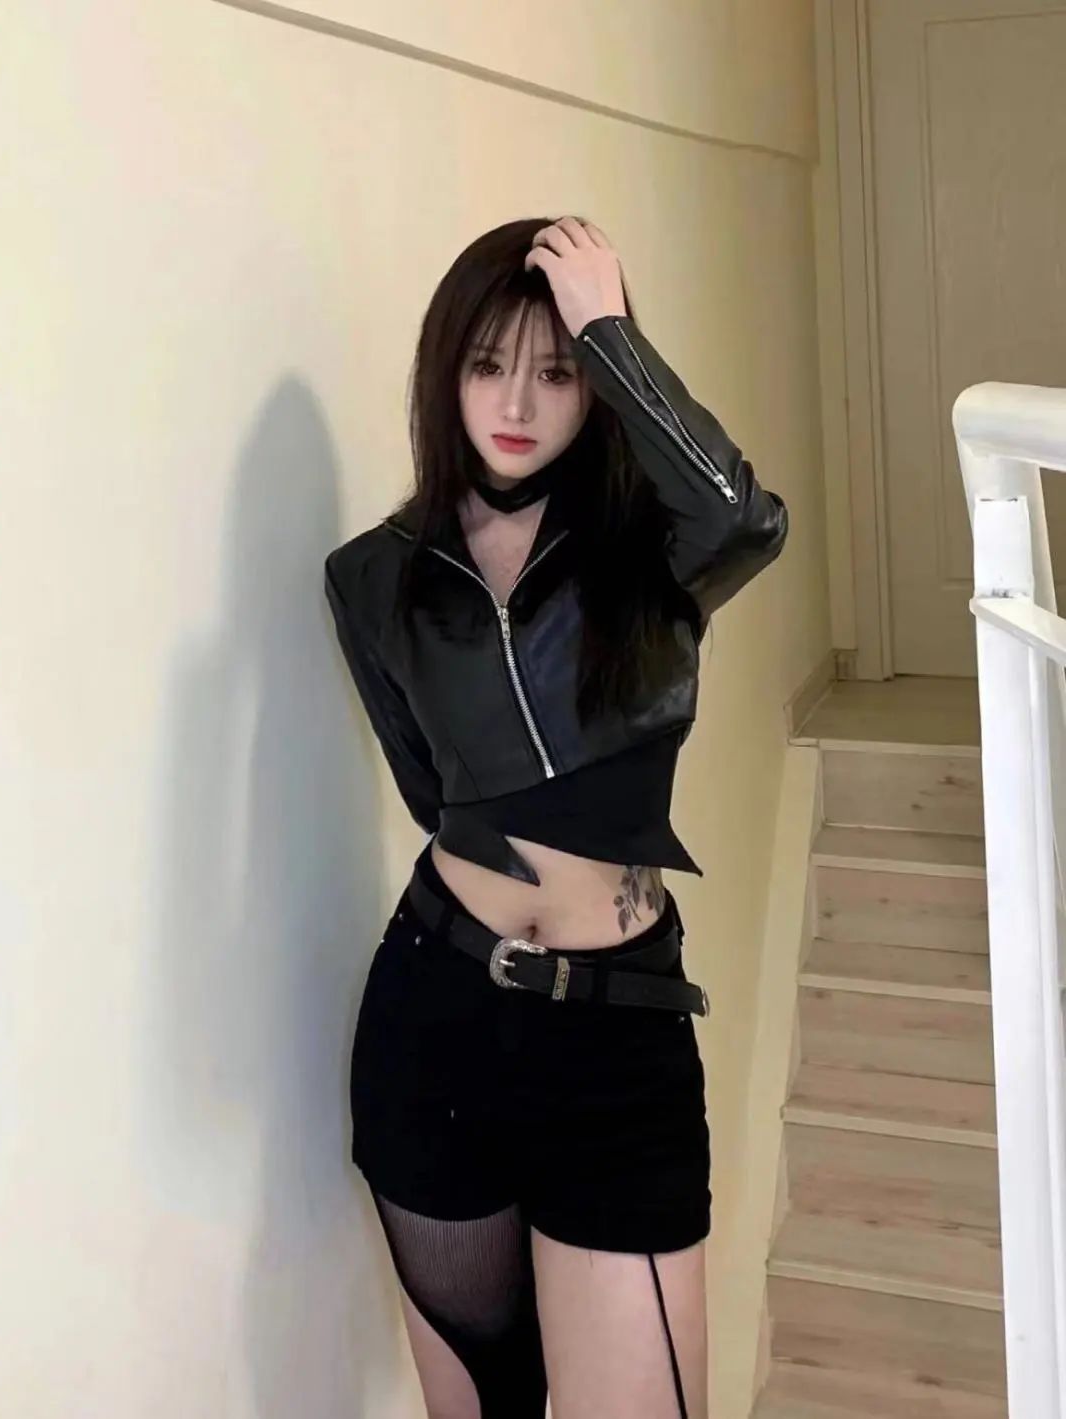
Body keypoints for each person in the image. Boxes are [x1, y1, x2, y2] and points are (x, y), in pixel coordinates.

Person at [324, 215, 788, 1419]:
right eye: (487, 366)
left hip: (616, 1035)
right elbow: (429, 790)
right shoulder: (374, 577)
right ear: (445, 374)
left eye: (557, 369)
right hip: (437, 1020)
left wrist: (610, 328)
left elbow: (750, 518)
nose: (517, 403)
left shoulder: (649, 549)